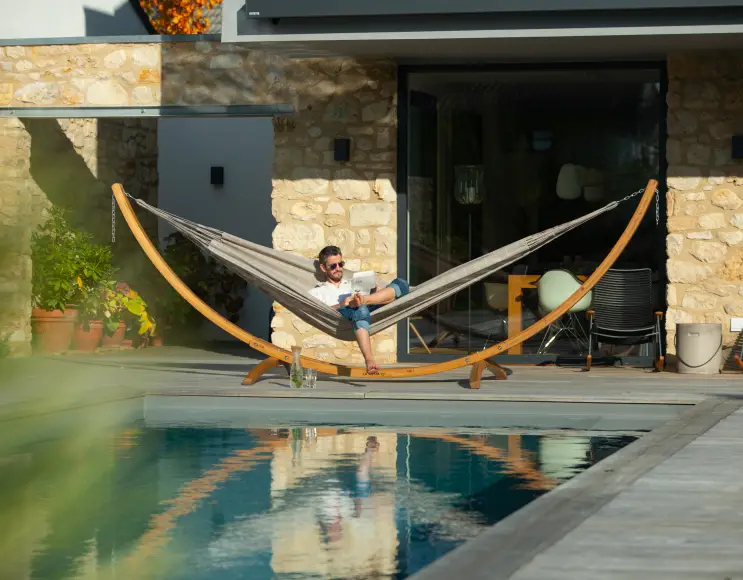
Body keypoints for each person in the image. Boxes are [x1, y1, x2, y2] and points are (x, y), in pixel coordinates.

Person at [309, 246, 410, 374]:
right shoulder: (317, 291)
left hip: (368, 305)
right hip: (344, 315)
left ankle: (366, 299)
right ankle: (369, 360)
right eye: (333, 266)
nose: (338, 268)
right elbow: (318, 312)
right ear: (323, 268)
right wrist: (341, 304)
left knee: (402, 284)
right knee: (359, 308)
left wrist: (378, 293)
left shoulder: (353, 282)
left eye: (341, 264)